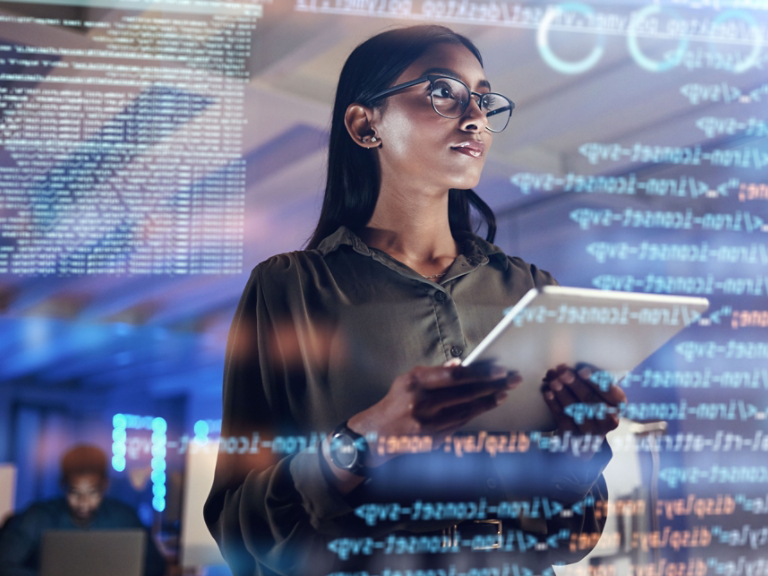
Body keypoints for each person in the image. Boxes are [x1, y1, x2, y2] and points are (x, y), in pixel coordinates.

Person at [204, 25, 627, 576]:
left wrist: (577, 449)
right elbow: (239, 529)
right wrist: (362, 442)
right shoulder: (290, 290)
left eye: (483, 97)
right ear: (365, 124)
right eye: (443, 92)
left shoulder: (530, 291)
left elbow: (572, 541)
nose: (475, 116)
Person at [0, 444, 166, 576]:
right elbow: (3, 564)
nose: (83, 503)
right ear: (62, 486)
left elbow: (156, 566)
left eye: (92, 493)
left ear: (105, 486)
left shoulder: (124, 517)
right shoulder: (38, 516)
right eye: (75, 493)